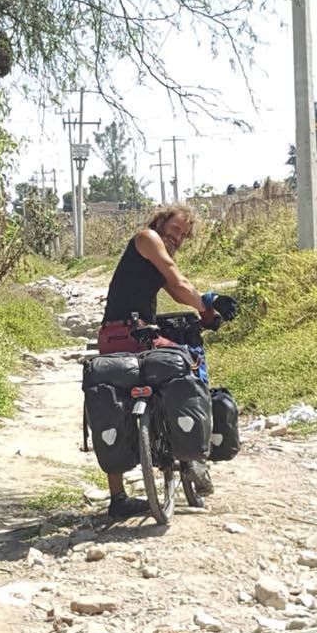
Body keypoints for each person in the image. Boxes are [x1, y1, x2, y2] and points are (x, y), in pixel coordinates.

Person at [97, 204, 238, 519]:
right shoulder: (147, 238)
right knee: (187, 361)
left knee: (114, 400)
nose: (179, 237)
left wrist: (205, 312)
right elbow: (177, 278)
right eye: (175, 229)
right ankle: (195, 458)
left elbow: (176, 290)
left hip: (112, 338)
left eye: (184, 235)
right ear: (160, 222)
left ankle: (118, 498)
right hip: (134, 335)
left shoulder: (152, 254)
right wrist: (210, 302)